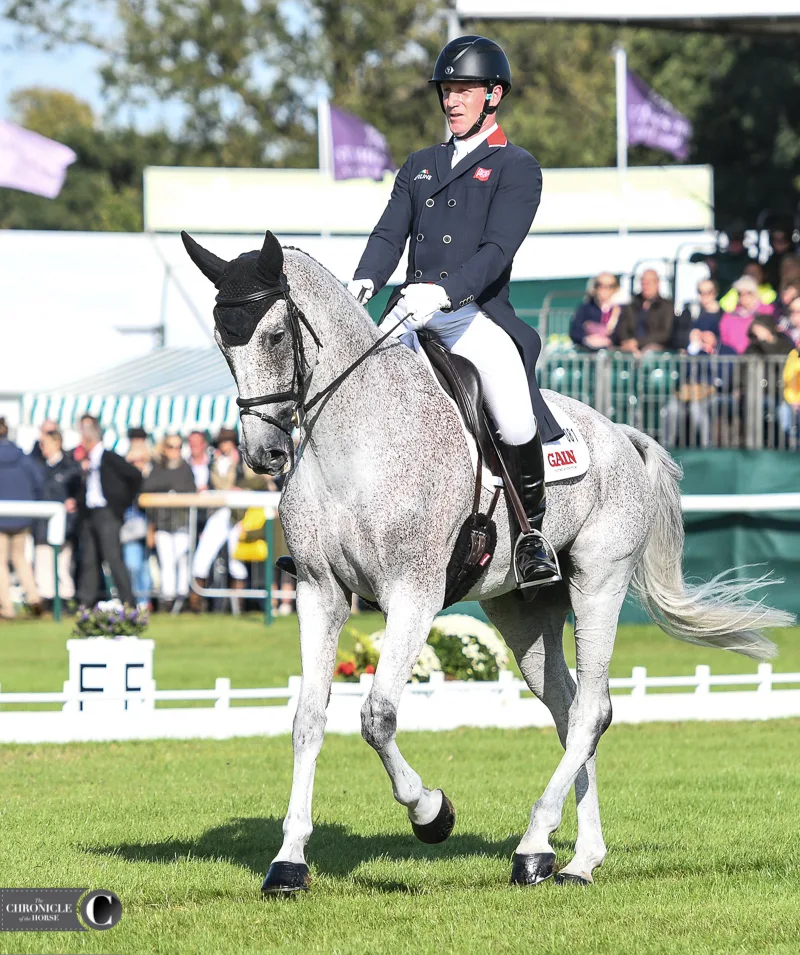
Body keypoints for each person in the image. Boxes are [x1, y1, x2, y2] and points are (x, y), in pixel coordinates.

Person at [345, 35, 562, 589]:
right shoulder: (420, 165)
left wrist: (443, 294)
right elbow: (389, 233)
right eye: (447, 89)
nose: (452, 100)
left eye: (464, 89)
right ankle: (335, 529)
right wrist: (365, 279)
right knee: (349, 388)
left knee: (513, 413)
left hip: (473, 317)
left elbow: (497, 252)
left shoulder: (517, 167)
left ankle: (532, 533)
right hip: (408, 313)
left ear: (493, 96)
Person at [75, 417, 142, 608]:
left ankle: (128, 600)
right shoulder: (87, 462)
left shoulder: (109, 457)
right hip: (90, 513)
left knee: (112, 557)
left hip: (107, 513)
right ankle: (86, 601)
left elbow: (134, 475)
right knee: (89, 557)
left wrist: (121, 503)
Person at [141, 434, 196, 611]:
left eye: (178, 446)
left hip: (182, 522)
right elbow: (147, 487)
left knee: (181, 559)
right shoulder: (157, 468)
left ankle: (182, 597)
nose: (175, 451)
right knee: (166, 561)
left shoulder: (186, 468)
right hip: (162, 523)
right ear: (164, 449)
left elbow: (189, 490)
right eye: (171, 447)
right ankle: (168, 599)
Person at [32, 428, 81, 612]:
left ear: (57, 443)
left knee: (62, 566)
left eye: (45, 443)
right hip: (42, 526)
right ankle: (47, 602)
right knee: (43, 566)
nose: (42, 447)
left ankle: (66, 601)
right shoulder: (39, 467)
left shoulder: (70, 468)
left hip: (64, 526)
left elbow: (77, 494)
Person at [0, 417, 43, 619]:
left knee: (0, 562)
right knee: (20, 558)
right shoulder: (23, 457)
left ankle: (7, 607)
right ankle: (34, 597)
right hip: (23, 517)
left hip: (2, 518)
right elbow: (38, 482)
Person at [121, 440, 153, 609]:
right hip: (131, 529)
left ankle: (144, 601)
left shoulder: (153, 477)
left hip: (151, 527)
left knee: (145, 567)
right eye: (133, 461)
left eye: (141, 460)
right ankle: (138, 601)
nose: (137, 464)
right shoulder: (124, 479)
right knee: (133, 564)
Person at [614, 269, 675, 355]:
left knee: (649, 354)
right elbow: (622, 328)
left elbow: (664, 333)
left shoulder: (666, 306)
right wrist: (628, 343)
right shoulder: (631, 305)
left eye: (649, 282)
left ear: (657, 284)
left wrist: (638, 342)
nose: (646, 285)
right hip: (630, 348)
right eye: (643, 282)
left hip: (655, 349)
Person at [718, 276, 774, 355]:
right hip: (735, 360)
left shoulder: (768, 312)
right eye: (740, 293)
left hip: (759, 358)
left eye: (748, 292)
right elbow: (724, 339)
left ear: (755, 293)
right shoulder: (729, 317)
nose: (744, 296)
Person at [568, 273, 622, 351]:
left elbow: (625, 334)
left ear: (614, 289)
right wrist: (586, 339)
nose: (604, 289)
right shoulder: (585, 308)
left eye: (609, 286)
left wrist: (608, 340)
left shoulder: (620, 310)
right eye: (600, 285)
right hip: (589, 355)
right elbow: (575, 331)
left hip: (612, 356)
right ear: (595, 287)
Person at [672, 279, 721, 351]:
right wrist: (690, 336)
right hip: (693, 358)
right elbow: (676, 335)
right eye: (700, 292)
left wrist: (714, 340)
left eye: (708, 292)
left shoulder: (723, 316)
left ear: (715, 293)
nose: (704, 295)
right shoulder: (689, 313)